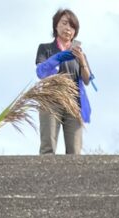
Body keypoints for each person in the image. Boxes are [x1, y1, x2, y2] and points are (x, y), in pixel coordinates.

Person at [35, 8, 92, 155]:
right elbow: (41, 72)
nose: (68, 28)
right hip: (51, 100)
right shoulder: (45, 48)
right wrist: (59, 57)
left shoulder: (79, 54)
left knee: (75, 151)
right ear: (56, 25)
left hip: (73, 103)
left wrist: (82, 60)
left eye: (72, 26)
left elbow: (87, 79)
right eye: (65, 23)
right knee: (48, 148)